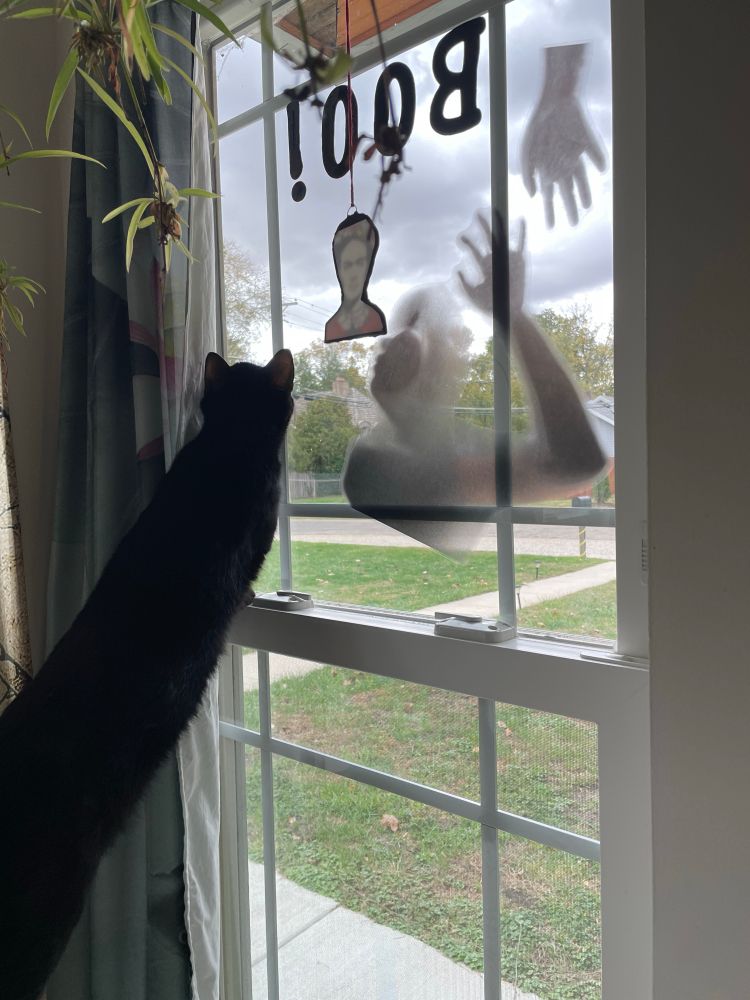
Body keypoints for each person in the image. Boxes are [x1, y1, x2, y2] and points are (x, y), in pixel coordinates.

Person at [342, 214, 606, 556]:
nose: (395, 340)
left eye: (419, 326)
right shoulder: (366, 460)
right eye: (400, 326)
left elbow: (577, 462)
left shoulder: (440, 455)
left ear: (442, 371)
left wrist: (512, 317)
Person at [325, 214, 386, 343]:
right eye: (347, 265)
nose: (353, 274)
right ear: (338, 268)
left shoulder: (373, 319)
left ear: (368, 265)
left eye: (359, 263)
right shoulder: (332, 327)